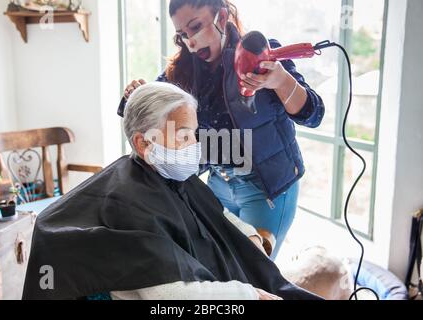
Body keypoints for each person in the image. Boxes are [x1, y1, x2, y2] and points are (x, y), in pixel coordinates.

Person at [22, 82, 321, 300]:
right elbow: (170, 294)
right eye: (183, 136)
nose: (194, 146)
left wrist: (248, 234)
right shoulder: (127, 202)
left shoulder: (171, 174)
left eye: (193, 134)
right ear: (142, 143)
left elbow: (213, 214)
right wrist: (250, 296)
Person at [118, 0, 325, 259]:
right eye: (182, 35)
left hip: (267, 190)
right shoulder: (183, 69)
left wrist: (281, 81)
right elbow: (151, 102)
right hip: (218, 183)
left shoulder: (262, 55)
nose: (190, 42)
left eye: (196, 27)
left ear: (223, 16)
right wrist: (134, 93)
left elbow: (314, 114)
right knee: (218, 264)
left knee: (255, 272)